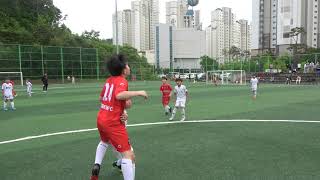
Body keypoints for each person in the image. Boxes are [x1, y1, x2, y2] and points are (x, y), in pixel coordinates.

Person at [90, 54, 148, 180]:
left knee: (104, 142)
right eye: (127, 65)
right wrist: (139, 92)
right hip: (113, 122)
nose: (128, 67)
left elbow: (102, 98)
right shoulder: (122, 81)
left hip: (101, 119)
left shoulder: (109, 80)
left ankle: (97, 165)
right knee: (128, 155)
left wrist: (123, 107)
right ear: (123, 69)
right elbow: (118, 95)